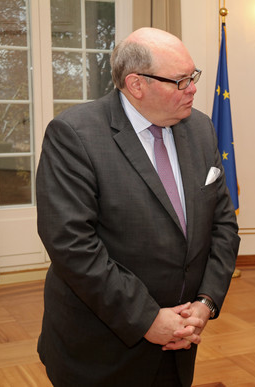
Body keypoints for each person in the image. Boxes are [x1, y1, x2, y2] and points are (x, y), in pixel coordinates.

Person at [36, 27, 240, 387]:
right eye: (180, 81)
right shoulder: (74, 135)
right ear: (136, 84)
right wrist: (145, 318)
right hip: (101, 349)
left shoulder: (201, 129)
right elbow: (72, 245)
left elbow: (223, 223)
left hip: (181, 340)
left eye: (193, 77)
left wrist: (206, 302)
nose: (192, 88)